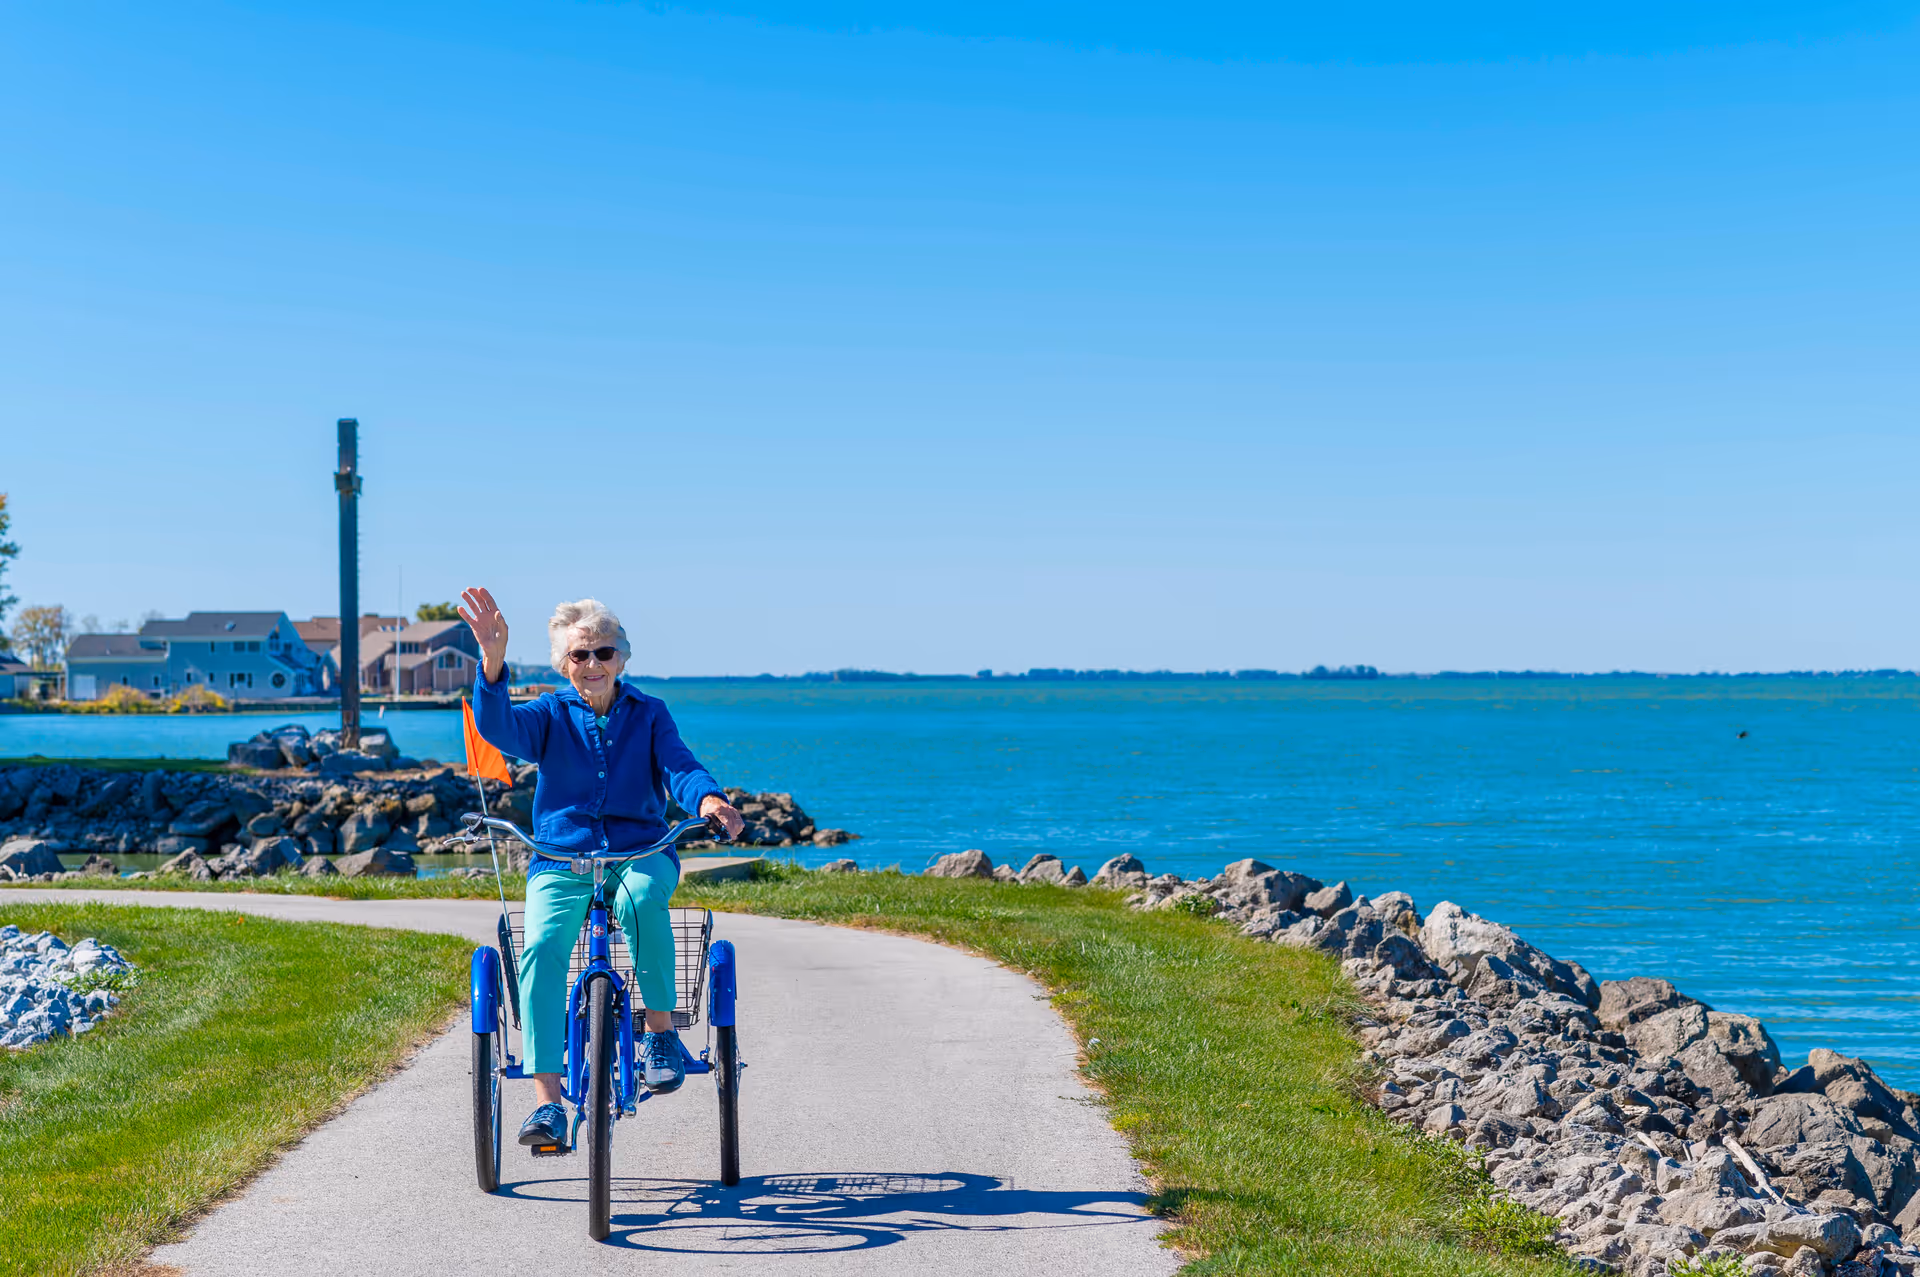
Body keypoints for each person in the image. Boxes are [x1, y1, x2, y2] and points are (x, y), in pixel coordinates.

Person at [458, 587, 746, 1151]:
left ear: (623, 658)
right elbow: (498, 729)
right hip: (561, 859)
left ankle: (660, 1035)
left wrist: (708, 801)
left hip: (640, 851)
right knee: (539, 944)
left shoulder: (650, 713)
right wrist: (493, 662)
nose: (592, 665)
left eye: (603, 654)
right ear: (564, 665)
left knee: (642, 902)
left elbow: (680, 768)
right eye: (579, 656)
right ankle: (547, 1102)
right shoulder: (546, 714)